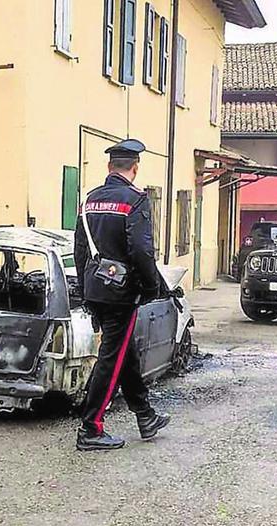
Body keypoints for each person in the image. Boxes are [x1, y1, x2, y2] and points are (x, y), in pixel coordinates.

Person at [73, 138, 170, 451]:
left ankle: (145, 415)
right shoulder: (135, 200)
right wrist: (152, 287)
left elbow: (79, 250)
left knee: (124, 353)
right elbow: (141, 250)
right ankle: (91, 428)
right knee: (111, 358)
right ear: (135, 168)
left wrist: (85, 291)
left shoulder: (89, 200)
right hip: (121, 292)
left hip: (95, 287)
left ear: (109, 166)